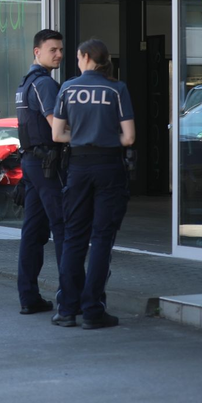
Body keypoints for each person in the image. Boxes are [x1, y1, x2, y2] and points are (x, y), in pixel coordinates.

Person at [51, 39, 135, 329]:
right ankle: (93, 310)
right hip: (109, 166)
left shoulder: (67, 88)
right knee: (102, 238)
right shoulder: (117, 88)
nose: (75, 61)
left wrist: (82, 136)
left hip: (78, 166)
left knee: (74, 236)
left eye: (76, 57)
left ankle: (66, 310)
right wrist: (106, 137)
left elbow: (57, 135)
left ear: (86, 57)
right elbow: (129, 138)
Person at [15, 29, 66, 316]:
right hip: (47, 163)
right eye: (53, 50)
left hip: (32, 163)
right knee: (62, 227)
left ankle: (29, 297)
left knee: (33, 231)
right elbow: (56, 129)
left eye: (60, 49)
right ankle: (70, 297)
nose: (58, 54)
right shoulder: (44, 84)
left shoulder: (25, 83)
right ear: (37, 52)